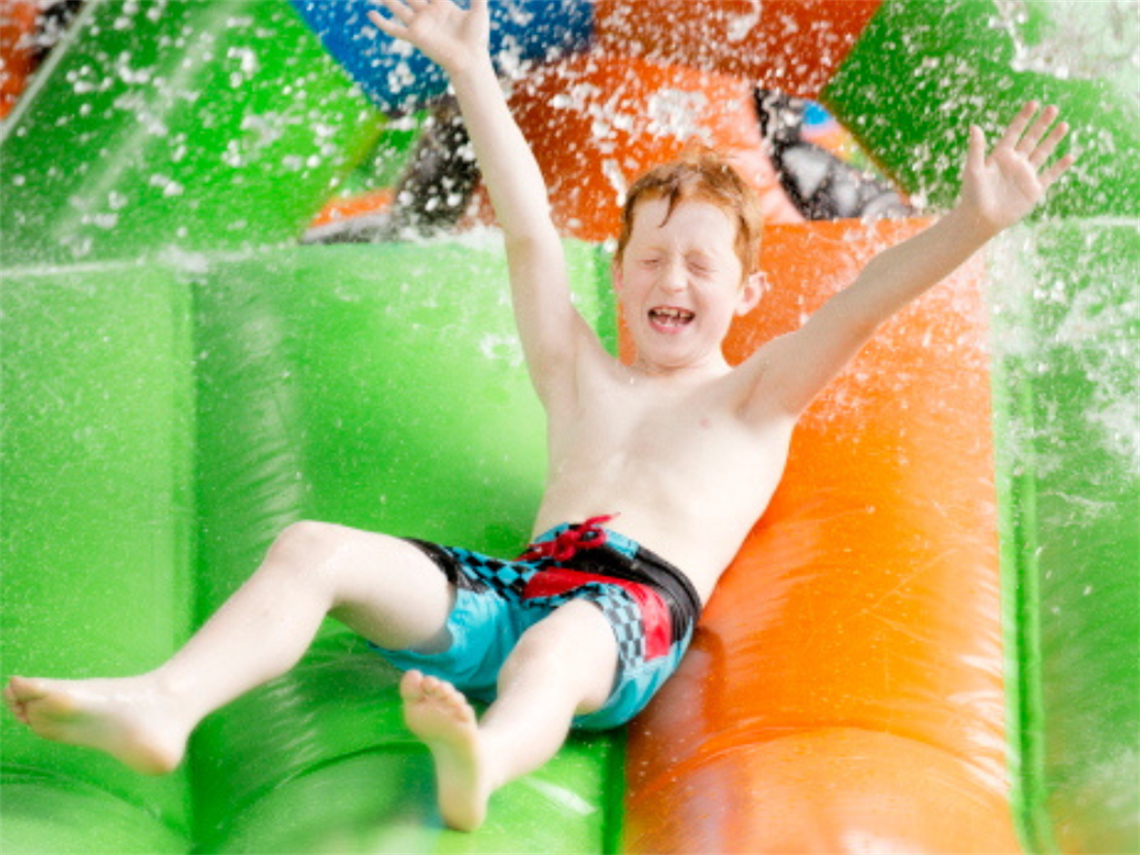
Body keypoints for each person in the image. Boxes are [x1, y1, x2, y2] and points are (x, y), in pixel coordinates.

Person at [4, 0, 1074, 833]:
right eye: (650, 257)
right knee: (312, 546)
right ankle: (167, 703)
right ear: (616, 275)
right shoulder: (581, 376)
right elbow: (523, 230)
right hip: (514, 584)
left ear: (745, 293)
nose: (672, 278)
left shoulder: (753, 397)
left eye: (701, 264)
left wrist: (975, 221)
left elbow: (861, 304)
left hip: (622, 616)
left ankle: (488, 755)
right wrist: (469, 69)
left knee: (560, 646)